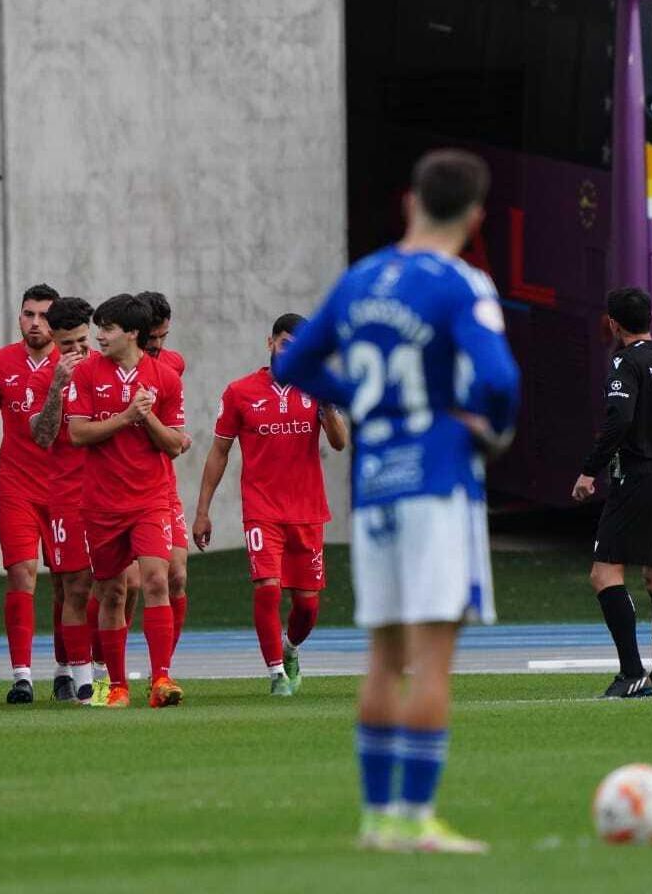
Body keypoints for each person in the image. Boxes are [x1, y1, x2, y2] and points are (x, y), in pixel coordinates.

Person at [274, 149, 519, 853]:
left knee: (383, 657)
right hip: (438, 484)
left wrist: (370, 403)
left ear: (410, 200)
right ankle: (416, 819)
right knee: (433, 659)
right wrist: (476, 420)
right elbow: (500, 380)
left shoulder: (360, 279)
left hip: (376, 486)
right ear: (474, 217)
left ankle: (376, 820)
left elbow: (292, 364)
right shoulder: (460, 282)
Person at [194, 313, 347, 696]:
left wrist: (328, 407)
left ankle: (290, 649)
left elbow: (341, 443)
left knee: (307, 608)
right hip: (261, 510)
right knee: (267, 589)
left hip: (308, 511)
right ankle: (276, 673)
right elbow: (219, 452)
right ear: (270, 343)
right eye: (284, 344)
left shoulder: (317, 388)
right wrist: (202, 511)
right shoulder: (240, 391)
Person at [572, 286, 652, 699]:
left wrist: (589, 470)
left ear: (613, 323)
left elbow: (619, 419)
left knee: (604, 572)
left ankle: (631, 673)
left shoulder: (625, 363)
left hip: (639, 475)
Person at [66, 293, 187, 709]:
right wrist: (125, 418)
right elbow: (77, 434)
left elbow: (175, 444)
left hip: (150, 500)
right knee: (113, 593)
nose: (99, 337)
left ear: (131, 333)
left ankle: (161, 679)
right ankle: (116, 685)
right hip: (100, 503)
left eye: (107, 329)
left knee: (156, 580)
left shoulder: (166, 377)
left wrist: (148, 416)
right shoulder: (85, 374)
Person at [0, 284, 61, 703]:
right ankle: (22, 676)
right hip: (17, 486)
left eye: (44, 315)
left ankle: (67, 669)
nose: (35, 322)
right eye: (29, 314)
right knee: (21, 574)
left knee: (69, 582)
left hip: (66, 488)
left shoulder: (75, 362)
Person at [31, 296, 99, 704]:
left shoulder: (106, 372)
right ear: (54, 340)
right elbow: (41, 436)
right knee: (74, 586)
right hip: (67, 496)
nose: (79, 352)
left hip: (109, 494)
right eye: (69, 344)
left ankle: (110, 670)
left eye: (84, 342)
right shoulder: (45, 377)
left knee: (119, 586)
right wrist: (57, 385)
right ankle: (82, 679)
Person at [136, 290, 191, 648]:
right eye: (150, 337)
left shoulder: (173, 365)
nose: (157, 345)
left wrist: (177, 438)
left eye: (163, 337)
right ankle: (104, 670)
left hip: (161, 487)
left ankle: (164, 670)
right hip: (116, 488)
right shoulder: (107, 368)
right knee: (121, 588)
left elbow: (176, 433)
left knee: (176, 576)